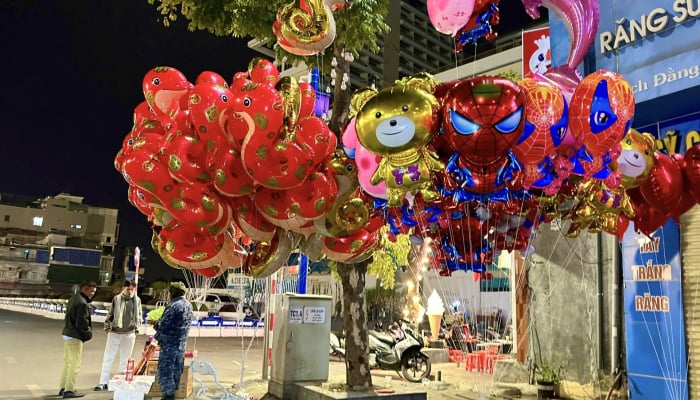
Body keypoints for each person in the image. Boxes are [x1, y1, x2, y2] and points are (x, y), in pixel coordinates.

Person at [94, 280, 143, 391]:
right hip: (115, 333)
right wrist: (107, 327)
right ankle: (103, 382)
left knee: (125, 359)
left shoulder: (137, 300)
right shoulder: (117, 299)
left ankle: (120, 382)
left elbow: (139, 315)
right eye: (128, 288)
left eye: (132, 289)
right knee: (108, 358)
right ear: (123, 288)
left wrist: (136, 328)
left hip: (129, 333)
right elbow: (110, 314)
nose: (130, 291)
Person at [153, 281, 193, 400]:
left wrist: (154, 323)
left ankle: (168, 396)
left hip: (170, 345)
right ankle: (171, 394)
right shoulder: (188, 305)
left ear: (173, 293)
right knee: (176, 370)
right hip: (181, 345)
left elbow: (163, 325)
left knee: (166, 371)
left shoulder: (175, 305)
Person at [58, 281, 97, 399]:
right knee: (75, 364)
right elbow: (82, 323)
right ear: (85, 289)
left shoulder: (73, 299)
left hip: (67, 333)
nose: (93, 294)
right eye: (92, 291)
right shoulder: (82, 303)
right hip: (75, 336)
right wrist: (88, 333)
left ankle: (63, 387)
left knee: (67, 363)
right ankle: (69, 390)